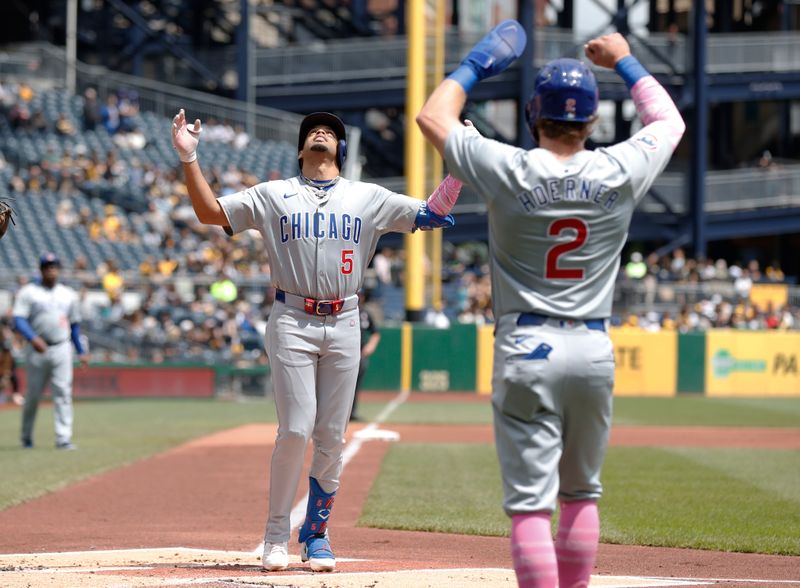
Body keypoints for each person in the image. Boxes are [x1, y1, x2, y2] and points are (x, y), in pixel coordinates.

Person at [417, 23, 685, 588]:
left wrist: (480, 62)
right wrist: (626, 60)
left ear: (533, 114)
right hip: (592, 346)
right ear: (592, 120)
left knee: (531, 507)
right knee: (582, 492)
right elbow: (670, 122)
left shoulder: (508, 167)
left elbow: (432, 117)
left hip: (526, 345)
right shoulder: (619, 167)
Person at [171, 108, 464, 573]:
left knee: (331, 435)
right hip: (292, 318)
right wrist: (189, 158)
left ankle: (317, 534)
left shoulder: (366, 196)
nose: (320, 131)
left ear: (340, 150)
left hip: (346, 319)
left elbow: (431, 214)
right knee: (294, 428)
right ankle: (274, 534)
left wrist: (458, 171)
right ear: (302, 148)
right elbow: (210, 212)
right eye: (312, 130)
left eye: (329, 131)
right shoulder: (274, 194)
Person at [13, 253, 90, 450]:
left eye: (54, 266)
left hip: (62, 347)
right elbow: (19, 319)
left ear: (59, 269)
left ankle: (63, 438)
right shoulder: (29, 292)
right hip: (36, 349)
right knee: (32, 395)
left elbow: (74, 325)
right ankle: (26, 436)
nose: (51, 269)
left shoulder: (68, 294)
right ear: (41, 269)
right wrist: (32, 337)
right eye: (47, 266)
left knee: (63, 393)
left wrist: (81, 350)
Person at [349, 290, 381, 422]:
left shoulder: (364, 313)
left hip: (359, 354)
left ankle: (352, 412)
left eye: (361, 295)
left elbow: (375, 332)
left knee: (355, 385)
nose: (359, 297)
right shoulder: (344, 311)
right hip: (344, 353)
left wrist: (370, 346)